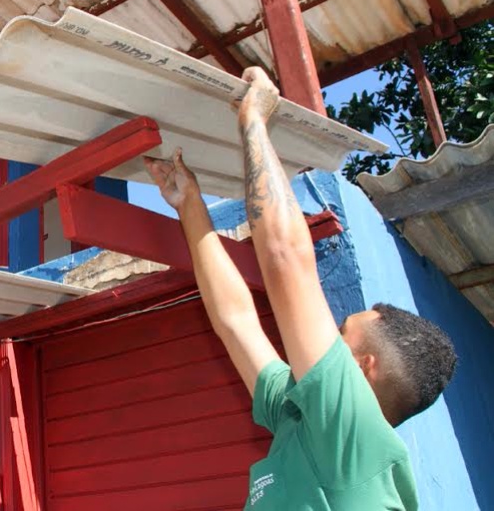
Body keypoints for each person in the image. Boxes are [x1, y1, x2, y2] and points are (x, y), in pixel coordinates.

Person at [144, 67, 456, 510]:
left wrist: (254, 121)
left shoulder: (356, 442)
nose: (326, 334)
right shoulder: (300, 421)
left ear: (362, 369)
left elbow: (286, 261)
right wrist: (189, 203)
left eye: (341, 333)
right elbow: (236, 323)